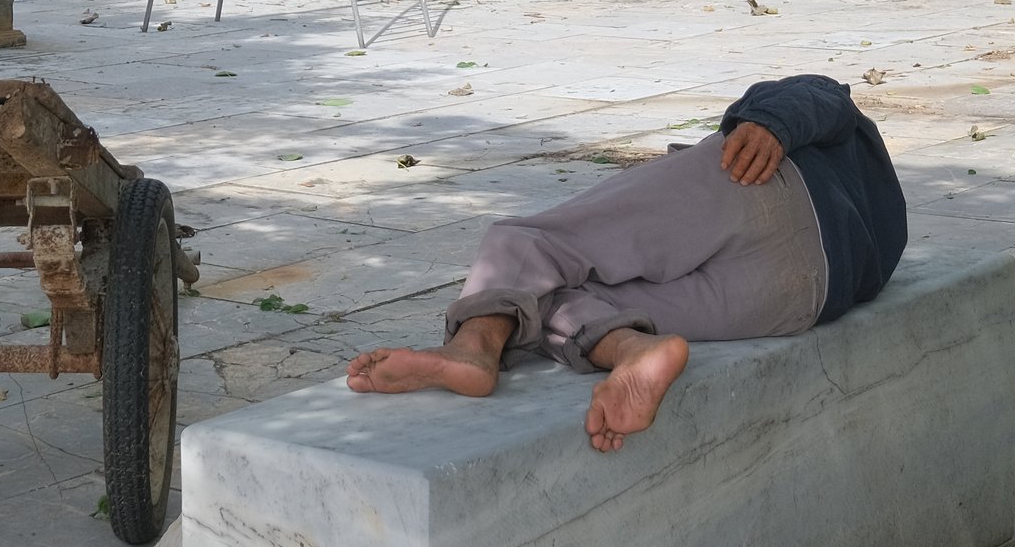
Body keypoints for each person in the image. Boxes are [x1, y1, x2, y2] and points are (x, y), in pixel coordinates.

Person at [345, 73, 907, 451]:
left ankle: (471, 345)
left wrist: (769, 125)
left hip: (770, 192)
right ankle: (632, 349)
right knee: (550, 298)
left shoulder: (749, 148)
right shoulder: (884, 229)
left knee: (535, 243)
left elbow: (826, 91)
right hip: (806, 293)